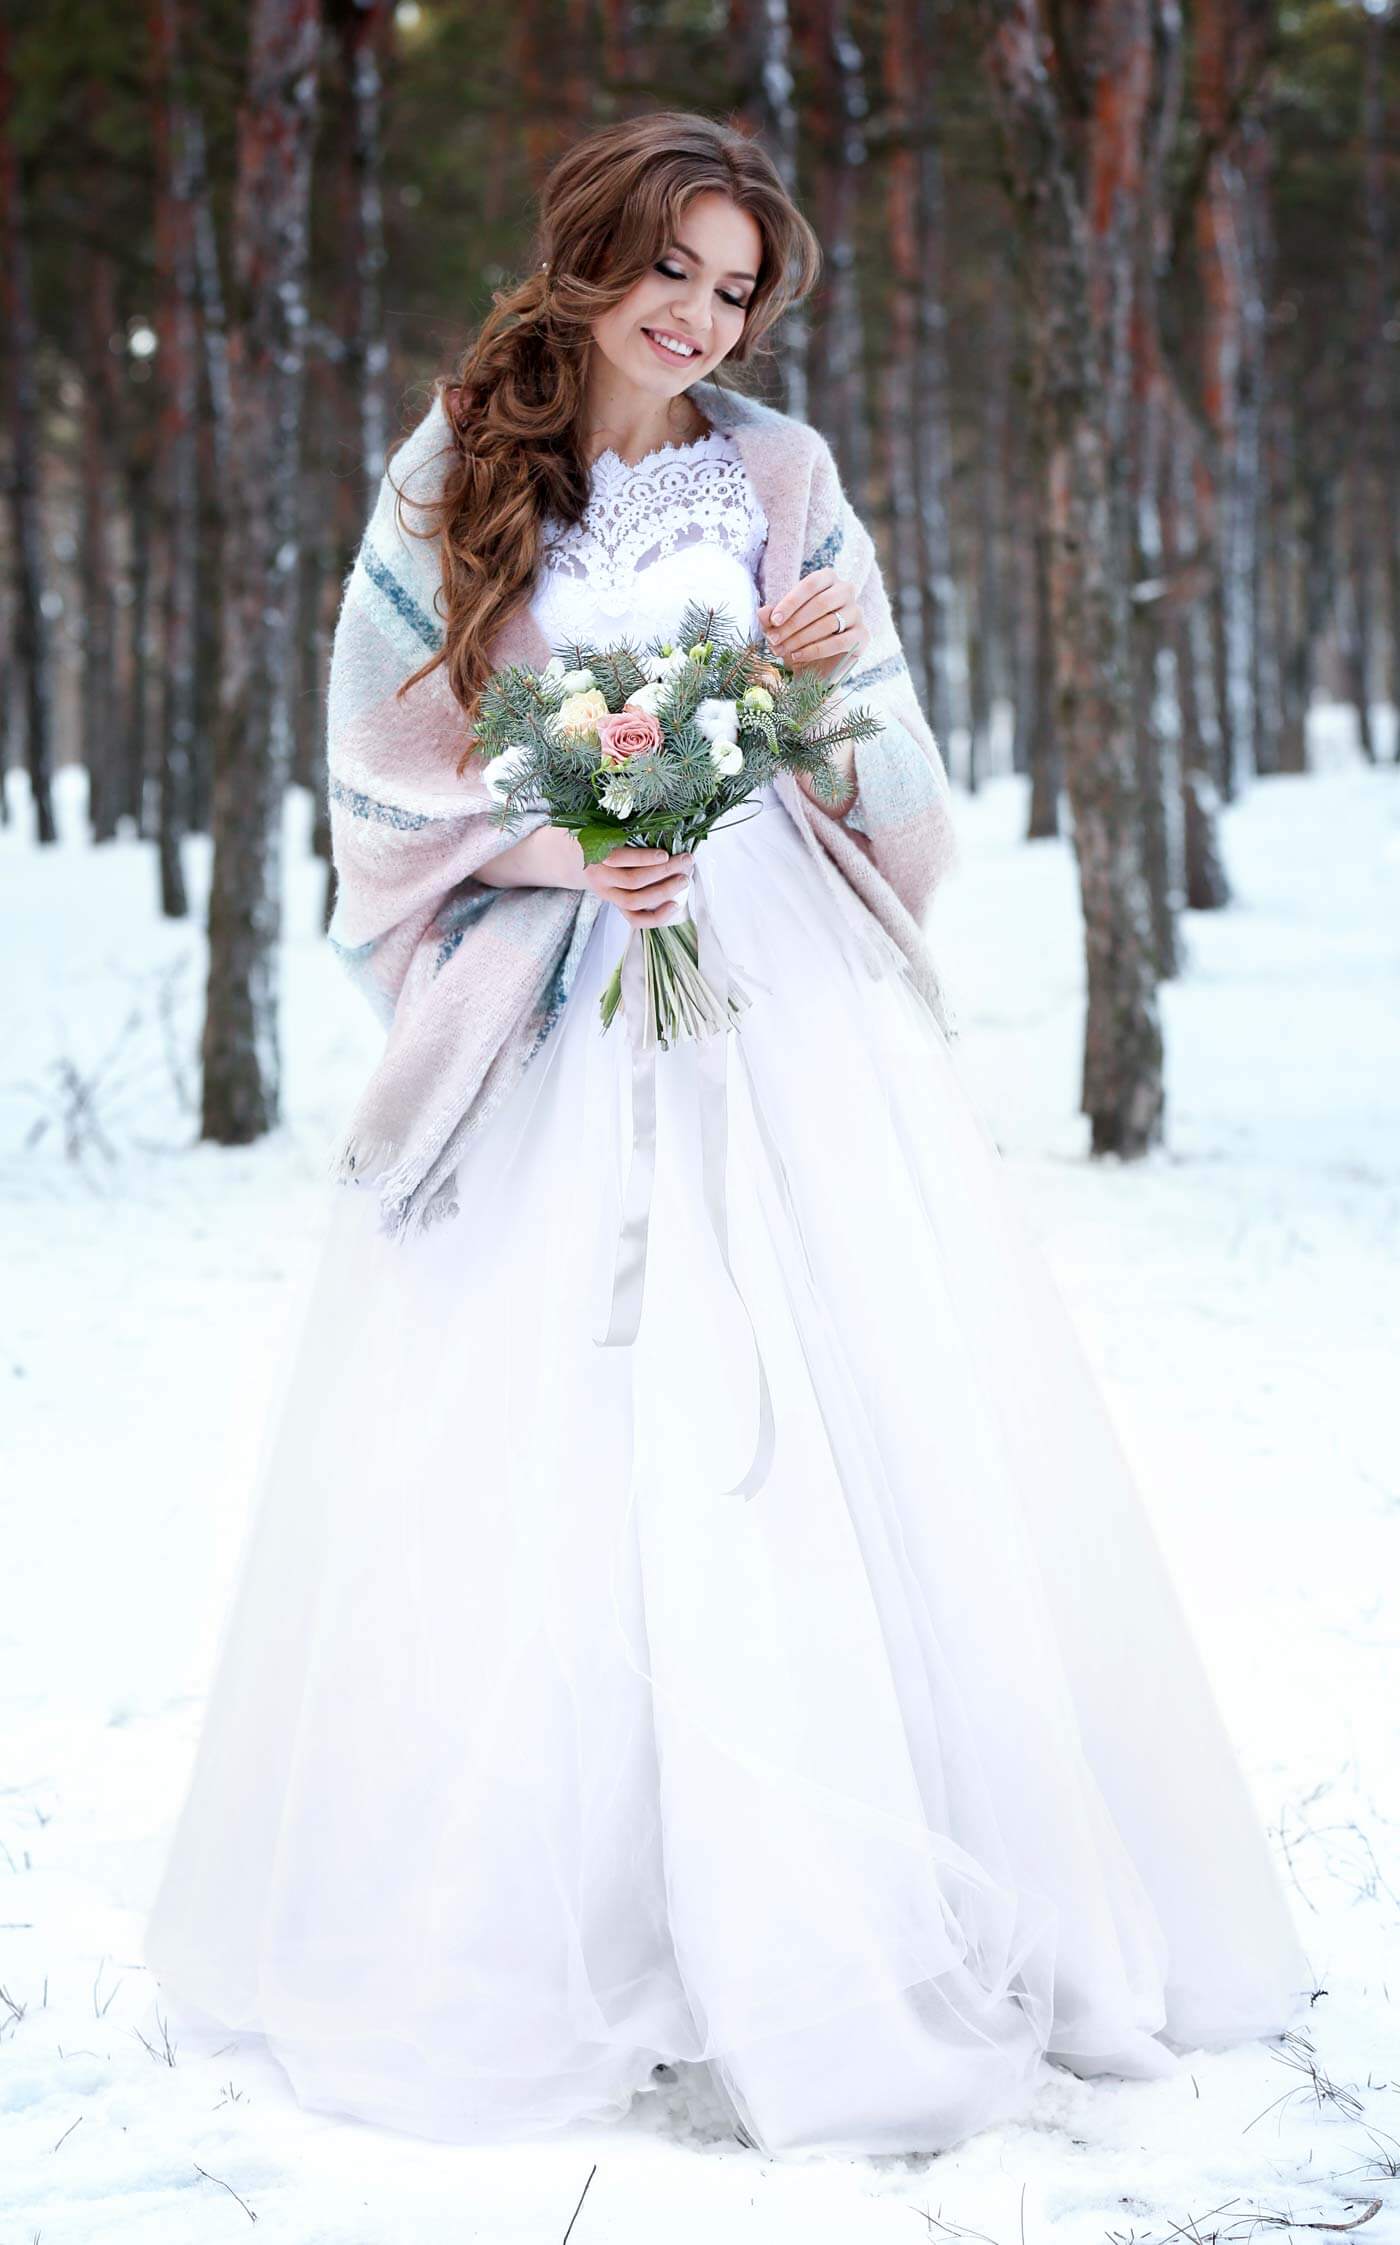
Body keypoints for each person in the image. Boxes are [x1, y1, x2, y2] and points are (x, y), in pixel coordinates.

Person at [140, 109, 1309, 2160]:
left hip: (763, 986)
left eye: (736, 287)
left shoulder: (779, 473)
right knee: (548, 1436)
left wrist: (781, 718)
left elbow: (883, 738)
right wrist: (571, 832)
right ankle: (558, 1924)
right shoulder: (449, 469)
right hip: (560, 987)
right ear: (587, 252)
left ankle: (843, 1908)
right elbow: (390, 763)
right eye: (669, 269)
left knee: (825, 1407)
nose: (699, 315)